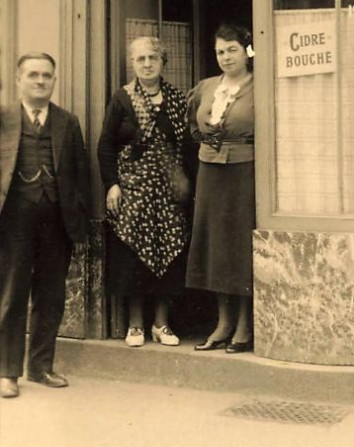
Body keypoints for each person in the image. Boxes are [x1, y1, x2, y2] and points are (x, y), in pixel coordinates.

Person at [0, 52, 90, 399]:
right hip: (13, 219)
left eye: (47, 76)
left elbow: (81, 176)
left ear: (54, 80)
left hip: (57, 219)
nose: (41, 81)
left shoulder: (68, 121)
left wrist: (79, 227)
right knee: (11, 294)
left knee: (51, 297)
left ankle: (41, 367)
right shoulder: (4, 117)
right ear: (19, 79)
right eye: (34, 75)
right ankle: (8, 373)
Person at [98, 36, 193, 347]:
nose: (147, 64)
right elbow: (106, 145)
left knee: (171, 250)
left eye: (153, 58)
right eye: (141, 59)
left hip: (168, 194)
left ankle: (161, 324)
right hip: (133, 190)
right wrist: (112, 183)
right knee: (133, 255)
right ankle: (136, 324)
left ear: (163, 61)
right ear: (133, 64)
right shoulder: (122, 100)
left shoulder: (178, 100)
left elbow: (187, 147)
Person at [186, 22, 255, 353]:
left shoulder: (259, 85)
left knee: (238, 246)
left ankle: (244, 325)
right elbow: (191, 124)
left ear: (246, 51)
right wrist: (207, 140)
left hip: (244, 172)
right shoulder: (207, 86)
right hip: (209, 172)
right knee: (215, 245)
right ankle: (223, 323)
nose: (225, 57)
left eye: (232, 50)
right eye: (219, 51)